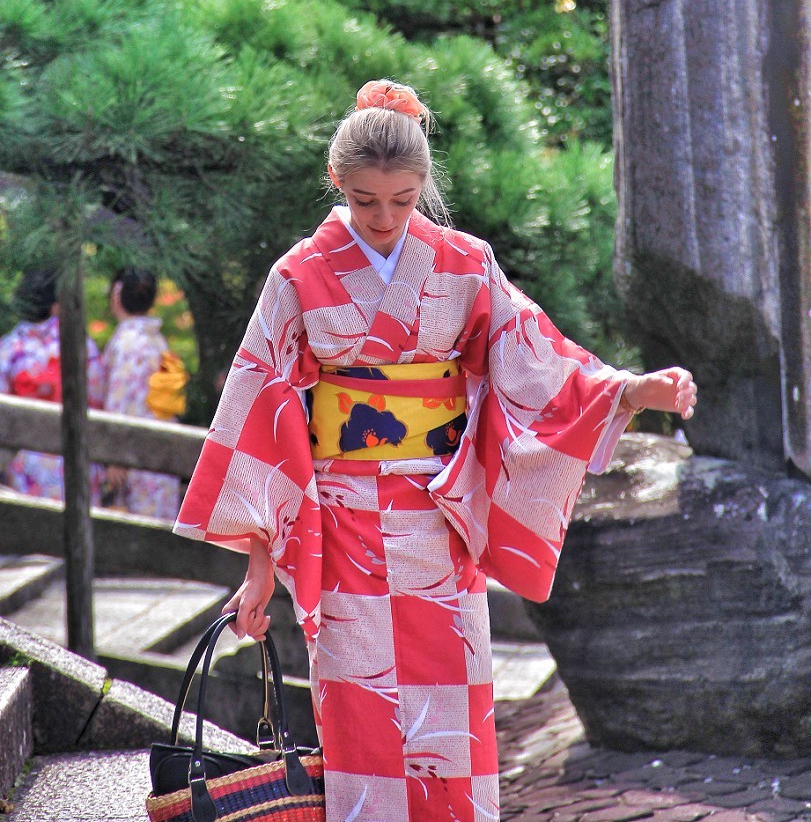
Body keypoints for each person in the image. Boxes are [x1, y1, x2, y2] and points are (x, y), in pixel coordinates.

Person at [174, 80, 697, 821]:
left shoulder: (463, 262)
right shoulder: (297, 275)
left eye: (402, 199)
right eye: (364, 200)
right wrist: (261, 568)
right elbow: (262, 412)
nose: (383, 218)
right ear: (336, 182)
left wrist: (628, 391)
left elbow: (534, 362)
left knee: (451, 725)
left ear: (424, 187)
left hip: (438, 518)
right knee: (360, 719)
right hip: (343, 522)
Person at [0, 268, 105, 501]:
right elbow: (96, 402)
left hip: (24, 466)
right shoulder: (82, 347)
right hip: (74, 461)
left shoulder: (9, 348)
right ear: (57, 304)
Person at [100, 267, 183, 519]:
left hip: (135, 454)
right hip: (162, 448)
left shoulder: (128, 343)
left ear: (117, 295)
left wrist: (115, 456)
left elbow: (120, 400)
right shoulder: (156, 339)